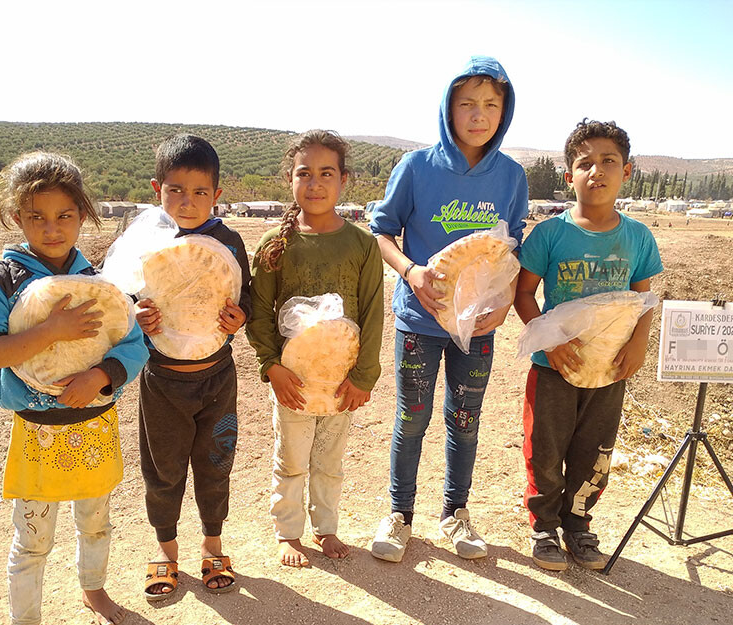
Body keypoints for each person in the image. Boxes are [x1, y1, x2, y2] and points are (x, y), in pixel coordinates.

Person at [0, 152, 148, 625]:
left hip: (93, 424)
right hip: (39, 433)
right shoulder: (0, 278)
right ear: (17, 217)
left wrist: (101, 376)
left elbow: (133, 344)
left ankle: (94, 590)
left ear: (82, 215)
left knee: (96, 522)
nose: (52, 227)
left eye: (65, 215)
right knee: (34, 536)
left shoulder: (97, 282)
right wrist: (49, 332)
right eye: (37, 216)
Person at [368, 56, 528, 563]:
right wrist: (412, 273)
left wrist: (502, 305)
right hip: (420, 320)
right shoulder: (416, 167)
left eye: (490, 104)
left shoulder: (511, 178)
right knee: (411, 417)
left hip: (477, 325)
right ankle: (399, 515)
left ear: (504, 111)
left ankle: (455, 515)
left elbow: (510, 251)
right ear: (448, 108)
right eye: (467, 104)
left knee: (465, 418)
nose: (478, 115)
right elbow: (382, 232)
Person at [514, 119, 663, 571]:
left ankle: (579, 525)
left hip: (609, 369)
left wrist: (639, 344)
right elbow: (524, 294)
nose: (596, 171)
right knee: (545, 449)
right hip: (553, 368)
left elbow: (643, 298)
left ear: (627, 171)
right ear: (568, 176)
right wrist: (551, 342)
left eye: (608, 162)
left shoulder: (637, 237)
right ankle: (544, 528)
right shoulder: (549, 234)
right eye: (585, 163)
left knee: (594, 449)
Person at [246, 130, 383, 567]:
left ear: (344, 180)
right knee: (291, 459)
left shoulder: (362, 244)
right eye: (305, 173)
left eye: (327, 173)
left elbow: (374, 313)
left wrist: (363, 377)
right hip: (292, 380)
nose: (315, 183)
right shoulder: (276, 243)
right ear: (289, 178)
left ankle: (326, 529)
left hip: (342, 379)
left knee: (329, 461)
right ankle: (288, 533)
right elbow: (259, 311)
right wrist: (272, 367)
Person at [135, 135, 252, 600]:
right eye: (176, 190)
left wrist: (240, 316)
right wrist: (135, 314)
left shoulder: (228, 241)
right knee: (162, 470)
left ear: (216, 195)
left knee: (216, 462)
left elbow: (247, 300)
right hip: (163, 381)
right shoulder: (144, 243)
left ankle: (213, 544)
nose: (188, 202)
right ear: (156, 189)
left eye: (200, 192)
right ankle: (165, 551)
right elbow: (120, 298)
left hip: (216, 378)